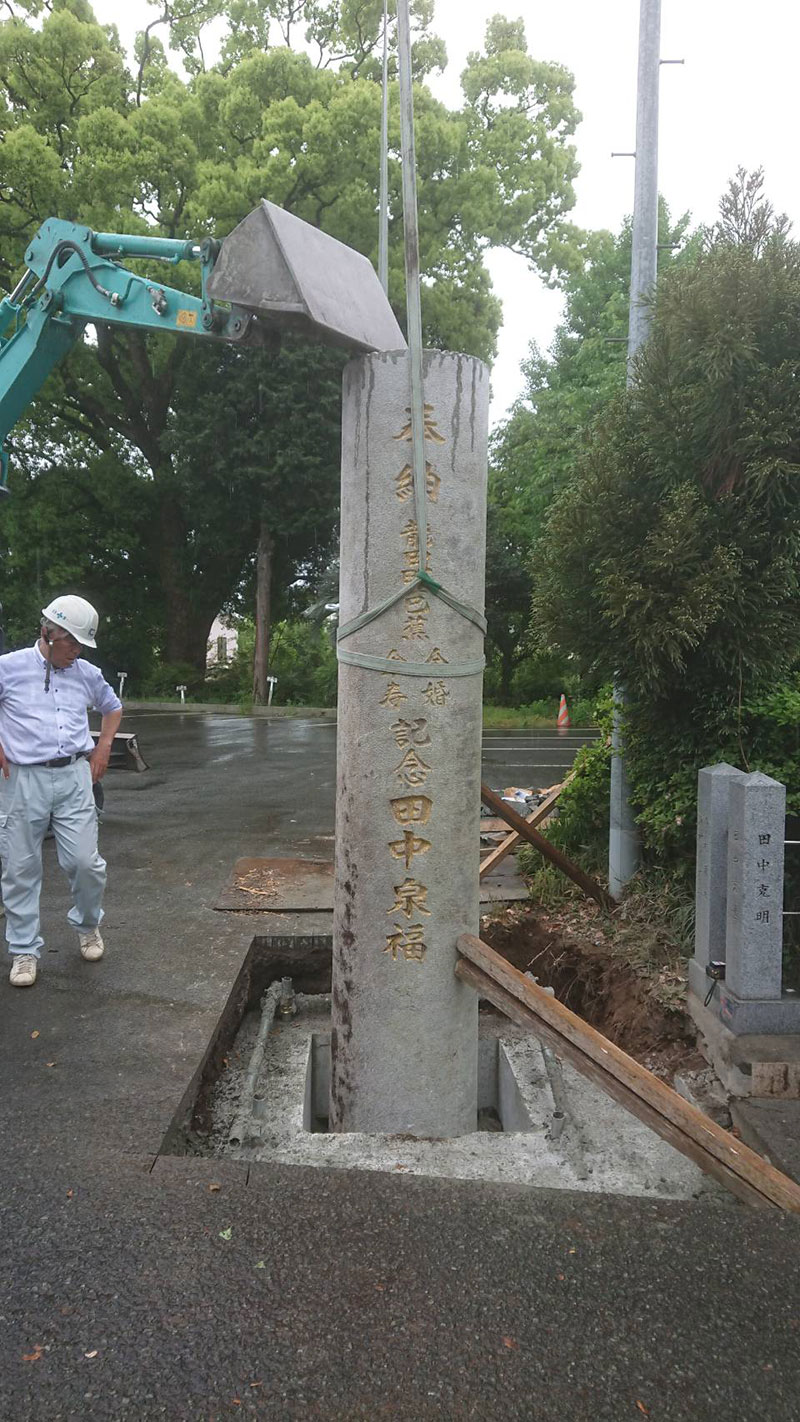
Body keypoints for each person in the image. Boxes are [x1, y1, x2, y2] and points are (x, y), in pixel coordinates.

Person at [0, 595, 123, 988]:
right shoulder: (10, 668)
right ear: (47, 633)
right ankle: (23, 950)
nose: (77, 651)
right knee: (19, 868)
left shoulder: (85, 672)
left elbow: (112, 705)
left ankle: (88, 925)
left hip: (73, 777)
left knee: (86, 864)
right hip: (22, 779)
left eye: (82, 645)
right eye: (71, 643)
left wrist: (102, 747)